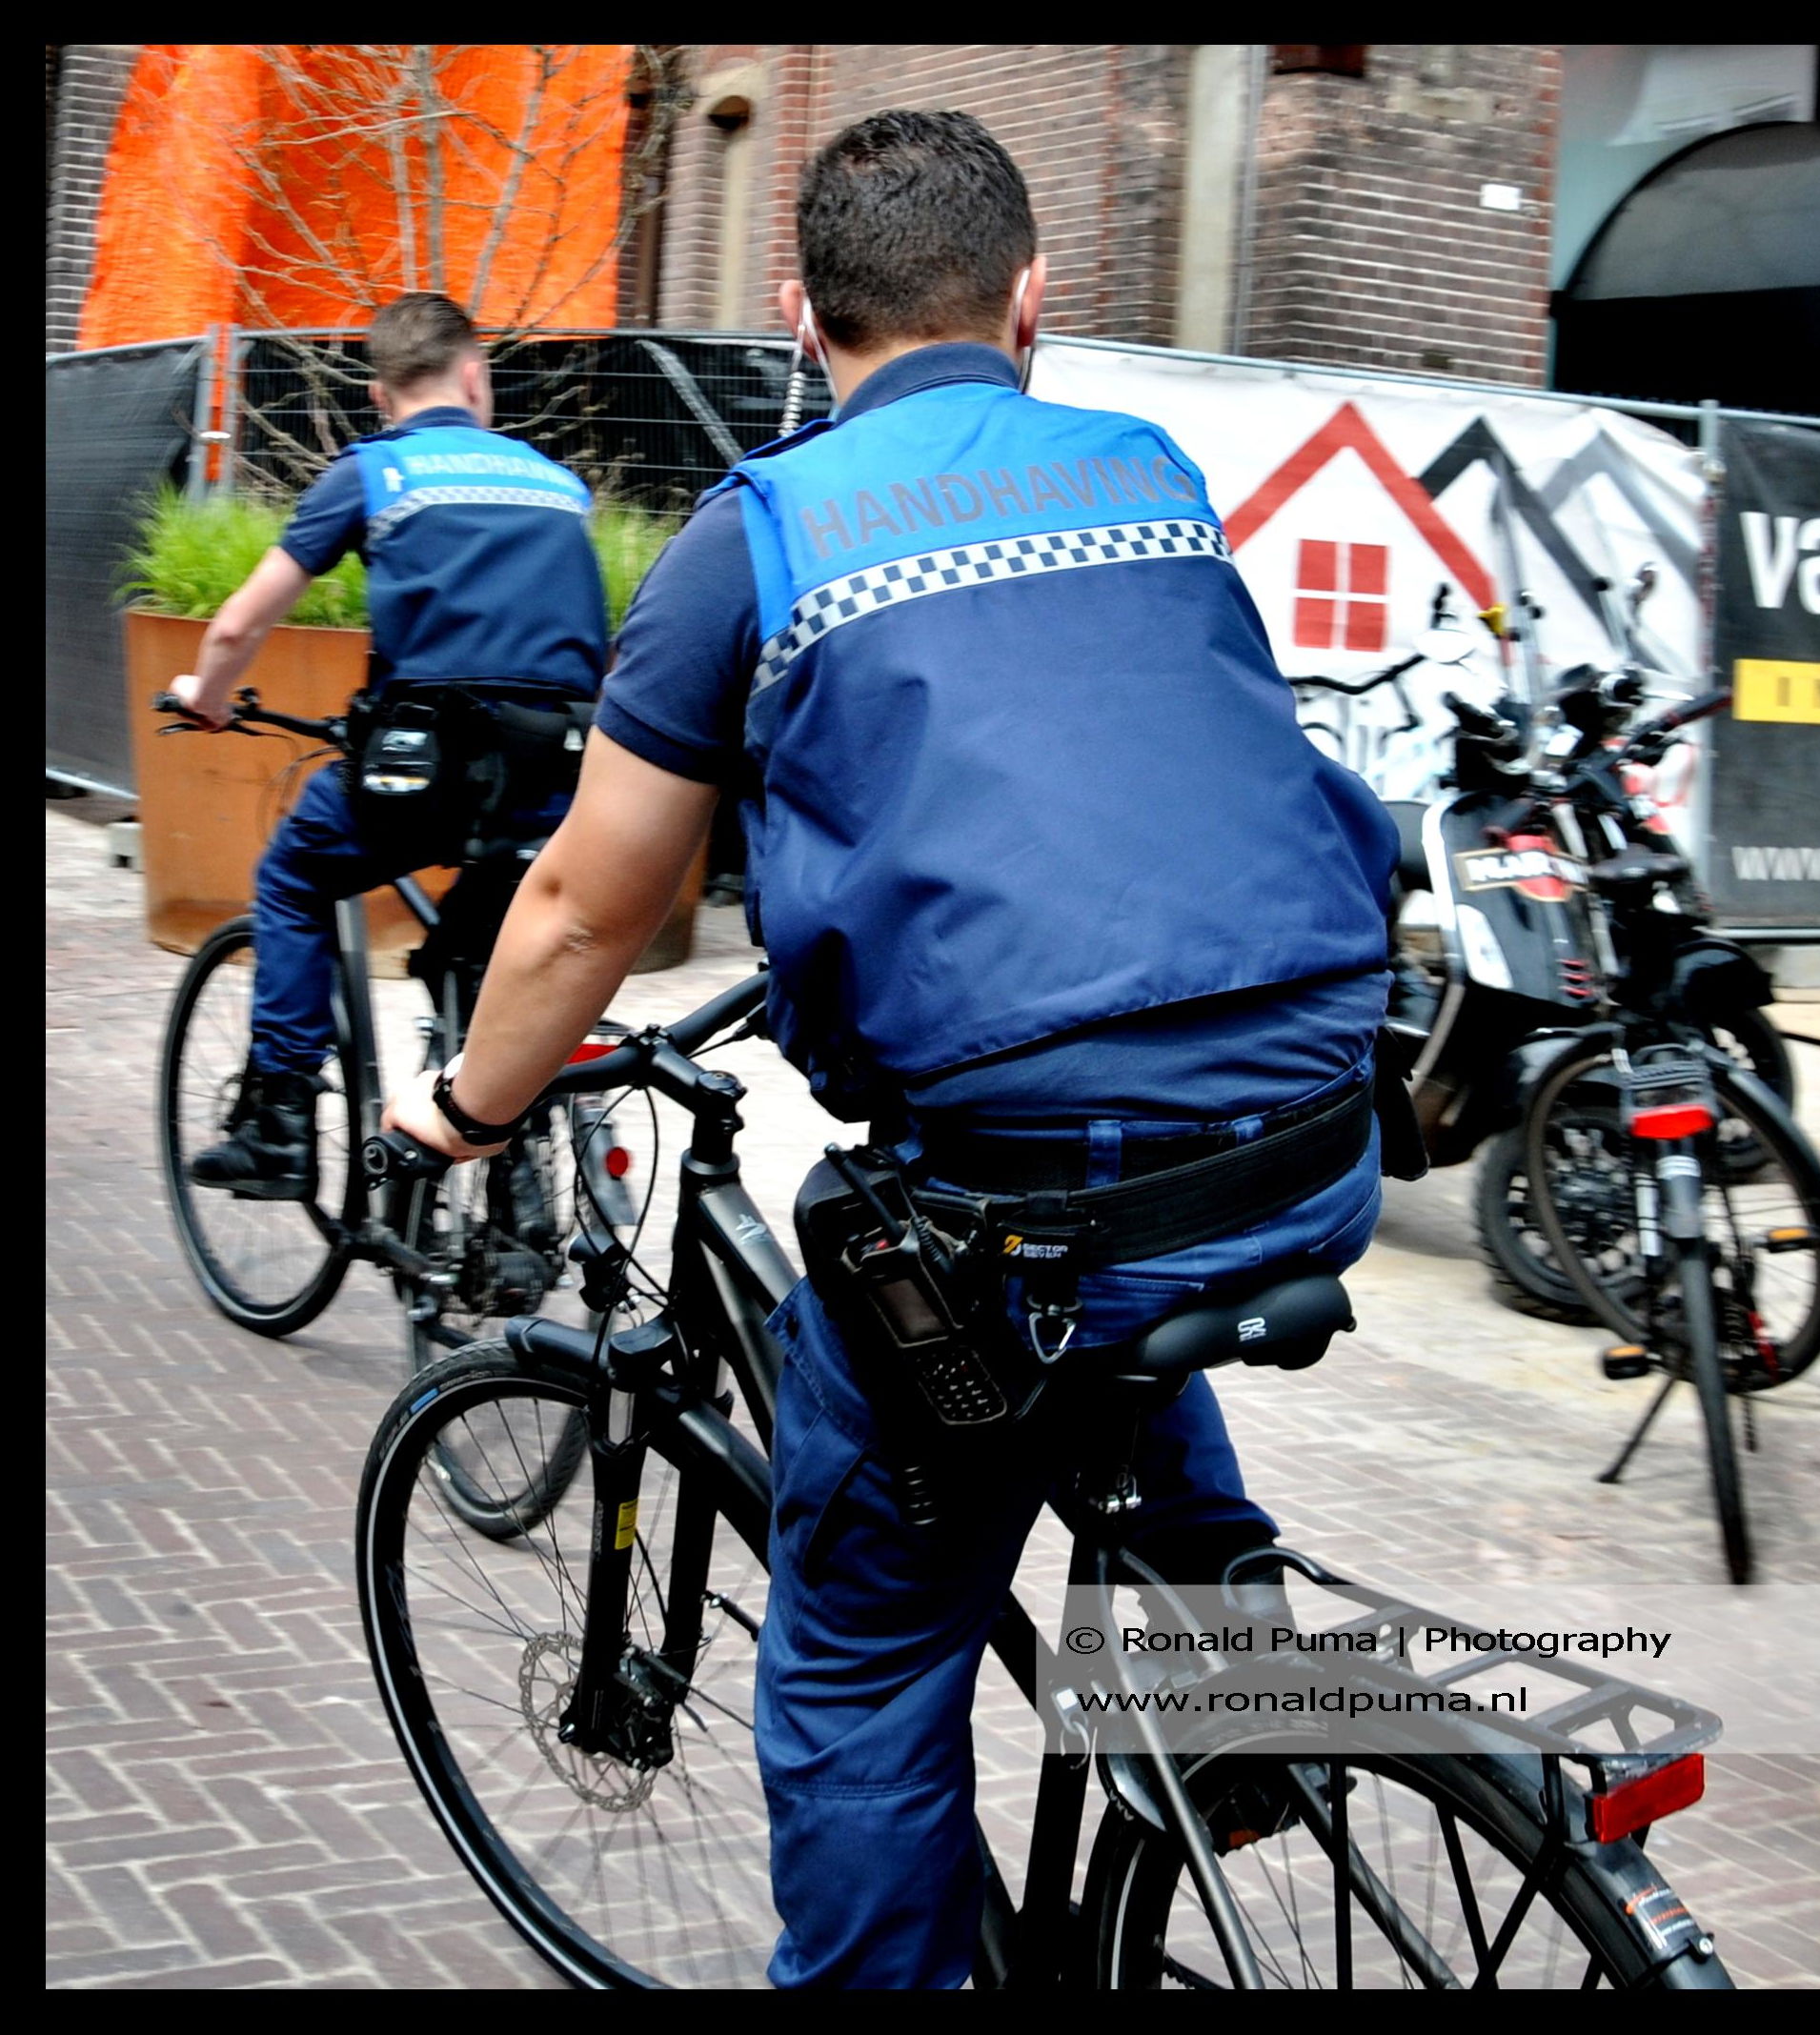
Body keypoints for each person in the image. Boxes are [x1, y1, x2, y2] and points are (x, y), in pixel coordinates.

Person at [384, 111, 1399, 1987]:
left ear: (800, 316)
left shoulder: (755, 539)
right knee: (1104, 1268)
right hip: (1318, 1134)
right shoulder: (1146, 471)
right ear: (1032, 301)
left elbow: (585, 912)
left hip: (1040, 1190)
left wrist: (459, 1111)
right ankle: (1250, 1707)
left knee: (861, 1642)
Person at [171, 292, 609, 1199]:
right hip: (556, 779)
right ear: (474, 376)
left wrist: (204, 698)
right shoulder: (558, 485)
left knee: (295, 875)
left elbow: (239, 625)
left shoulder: (377, 473)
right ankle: (516, 1188)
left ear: (379, 395)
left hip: (426, 772)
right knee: (482, 943)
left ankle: (281, 1124)